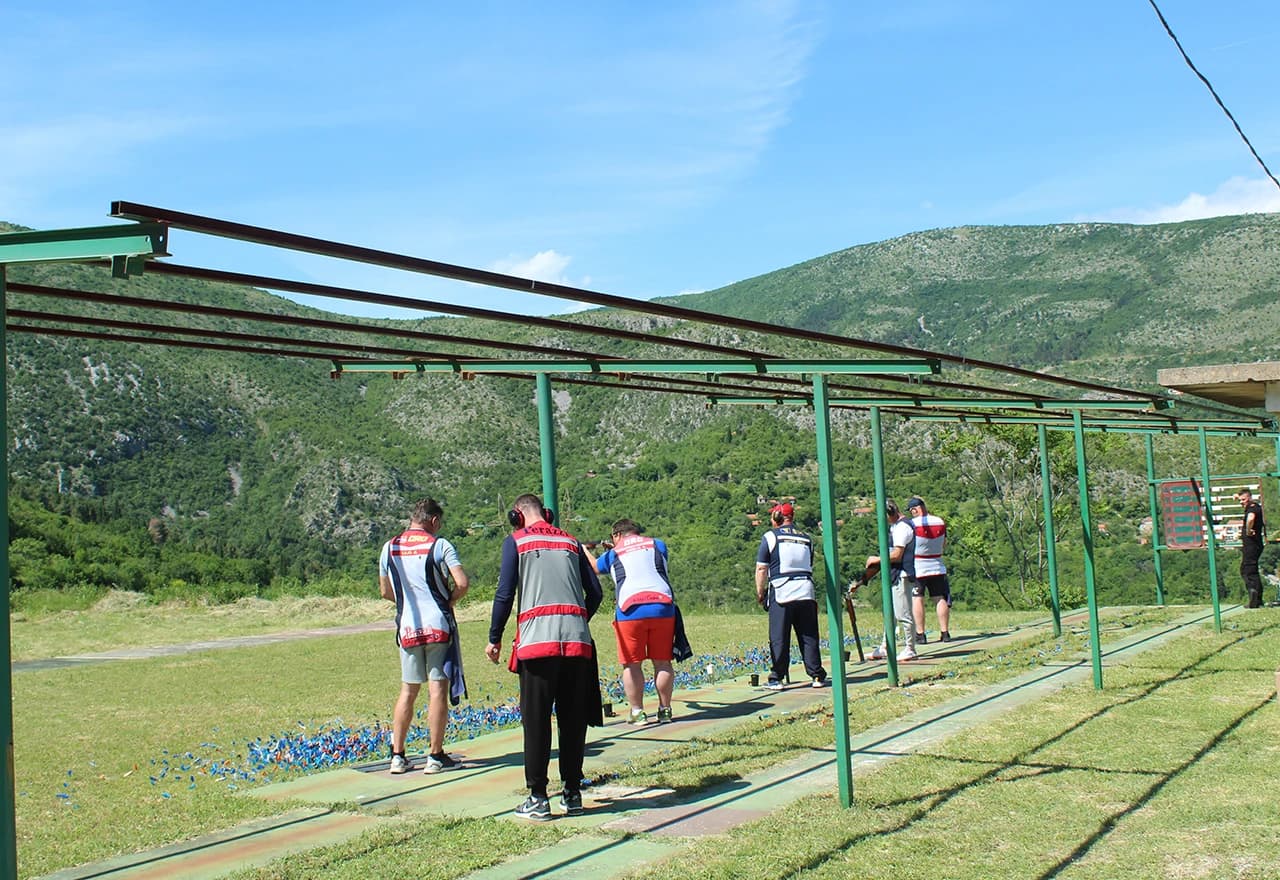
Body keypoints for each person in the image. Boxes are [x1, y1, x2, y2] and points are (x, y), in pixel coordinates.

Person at [486, 494, 603, 821]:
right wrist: (579, 620)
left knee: (536, 720)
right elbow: (595, 592)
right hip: (577, 642)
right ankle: (572, 792)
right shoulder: (571, 542)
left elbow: (505, 594)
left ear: (517, 515)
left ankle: (538, 796)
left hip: (538, 644)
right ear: (547, 514)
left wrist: (494, 637)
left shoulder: (517, 542)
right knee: (573, 719)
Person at [378, 498, 470, 775]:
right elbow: (462, 583)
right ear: (434, 521)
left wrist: (405, 606)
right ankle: (435, 755)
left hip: (407, 627)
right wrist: (448, 602)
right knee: (437, 689)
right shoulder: (440, 545)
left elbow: (384, 591)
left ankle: (397, 755)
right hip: (438, 626)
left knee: (408, 690)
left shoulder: (389, 547)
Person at [589, 519, 676, 724]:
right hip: (662, 605)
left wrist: (584, 550)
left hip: (630, 609)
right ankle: (665, 710)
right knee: (663, 662)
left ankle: (638, 712)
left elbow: (594, 567)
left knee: (632, 665)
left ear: (616, 535)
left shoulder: (612, 554)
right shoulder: (658, 544)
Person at [755, 502, 828, 689]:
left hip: (781, 591)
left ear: (778, 517)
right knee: (809, 636)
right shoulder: (807, 538)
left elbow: (762, 568)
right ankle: (816, 675)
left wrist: (760, 592)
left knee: (779, 636)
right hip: (806, 591)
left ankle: (777, 677)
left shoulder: (770, 537)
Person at [867, 499, 918, 661]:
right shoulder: (897, 526)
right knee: (891, 614)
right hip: (895, 574)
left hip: (902, 573)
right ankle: (885, 646)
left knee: (904, 613)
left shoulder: (902, 527)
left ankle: (910, 648)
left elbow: (897, 555)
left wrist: (876, 559)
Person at [906, 496, 952, 643]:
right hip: (937, 564)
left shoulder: (912, 524)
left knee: (918, 598)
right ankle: (945, 632)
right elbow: (944, 543)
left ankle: (920, 634)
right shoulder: (939, 521)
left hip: (918, 565)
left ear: (915, 509)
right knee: (939, 598)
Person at [1237, 488, 1266, 608]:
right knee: (1250, 570)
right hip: (1254, 545)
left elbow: (1251, 518)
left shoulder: (1252, 508)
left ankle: (1254, 599)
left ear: (1249, 498)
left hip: (1252, 546)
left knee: (1248, 571)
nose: (1241, 502)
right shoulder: (1255, 506)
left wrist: (1248, 531)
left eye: (1243, 499)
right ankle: (1257, 599)